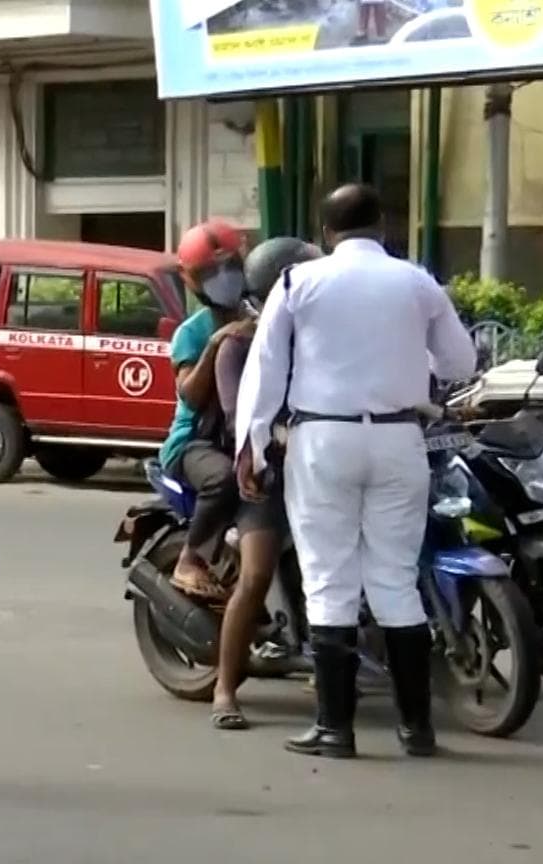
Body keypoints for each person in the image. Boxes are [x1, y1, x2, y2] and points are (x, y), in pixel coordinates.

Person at [236, 183, 476, 759]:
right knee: (396, 579)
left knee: (328, 580)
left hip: (324, 439)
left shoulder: (298, 281)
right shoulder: (417, 281)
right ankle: (417, 729)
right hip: (399, 440)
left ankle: (334, 729)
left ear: (325, 234)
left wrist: (253, 442)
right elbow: (461, 362)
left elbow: (265, 369)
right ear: (385, 226)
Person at [209, 237, 323, 731]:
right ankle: (224, 688)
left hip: (320, 469)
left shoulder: (318, 339)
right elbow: (242, 421)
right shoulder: (238, 344)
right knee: (256, 575)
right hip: (261, 473)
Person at [159, 218, 254, 602]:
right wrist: (216, 345)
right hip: (196, 442)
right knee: (224, 479)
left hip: (248, 433)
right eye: (210, 272)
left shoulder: (262, 313)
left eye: (230, 267)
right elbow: (191, 397)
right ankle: (190, 558)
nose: (223, 278)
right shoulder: (192, 333)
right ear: (190, 279)